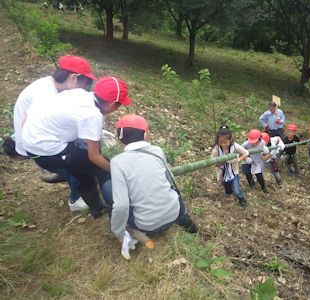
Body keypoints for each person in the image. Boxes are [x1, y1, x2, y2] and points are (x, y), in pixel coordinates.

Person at [22, 76, 131, 219]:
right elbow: (94, 157)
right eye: (119, 105)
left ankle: (96, 210)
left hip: (33, 139)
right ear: (112, 105)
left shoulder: (79, 93)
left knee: (84, 169)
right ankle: (113, 209)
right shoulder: (93, 115)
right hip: (44, 151)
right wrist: (117, 171)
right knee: (102, 169)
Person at [13, 55, 96, 211]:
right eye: (85, 84)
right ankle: (76, 199)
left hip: (40, 140)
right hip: (37, 145)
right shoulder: (45, 93)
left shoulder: (53, 85)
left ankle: (62, 172)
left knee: (74, 154)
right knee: (75, 163)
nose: (85, 89)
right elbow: (27, 122)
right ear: (74, 78)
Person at [110, 115, 198, 255]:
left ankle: (130, 233)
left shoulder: (117, 162)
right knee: (172, 193)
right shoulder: (157, 151)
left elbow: (121, 206)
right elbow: (169, 178)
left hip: (148, 227)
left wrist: (117, 231)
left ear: (120, 139)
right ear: (146, 135)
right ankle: (191, 228)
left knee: (110, 191)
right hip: (173, 214)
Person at [211, 126, 249, 208]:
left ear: (230, 140)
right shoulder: (216, 149)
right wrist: (222, 162)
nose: (223, 145)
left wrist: (237, 160)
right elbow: (213, 162)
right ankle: (229, 194)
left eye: (226, 142)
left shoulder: (235, 146)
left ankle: (243, 201)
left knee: (236, 190)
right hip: (222, 174)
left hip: (233, 172)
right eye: (221, 143)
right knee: (227, 190)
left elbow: (245, 153)